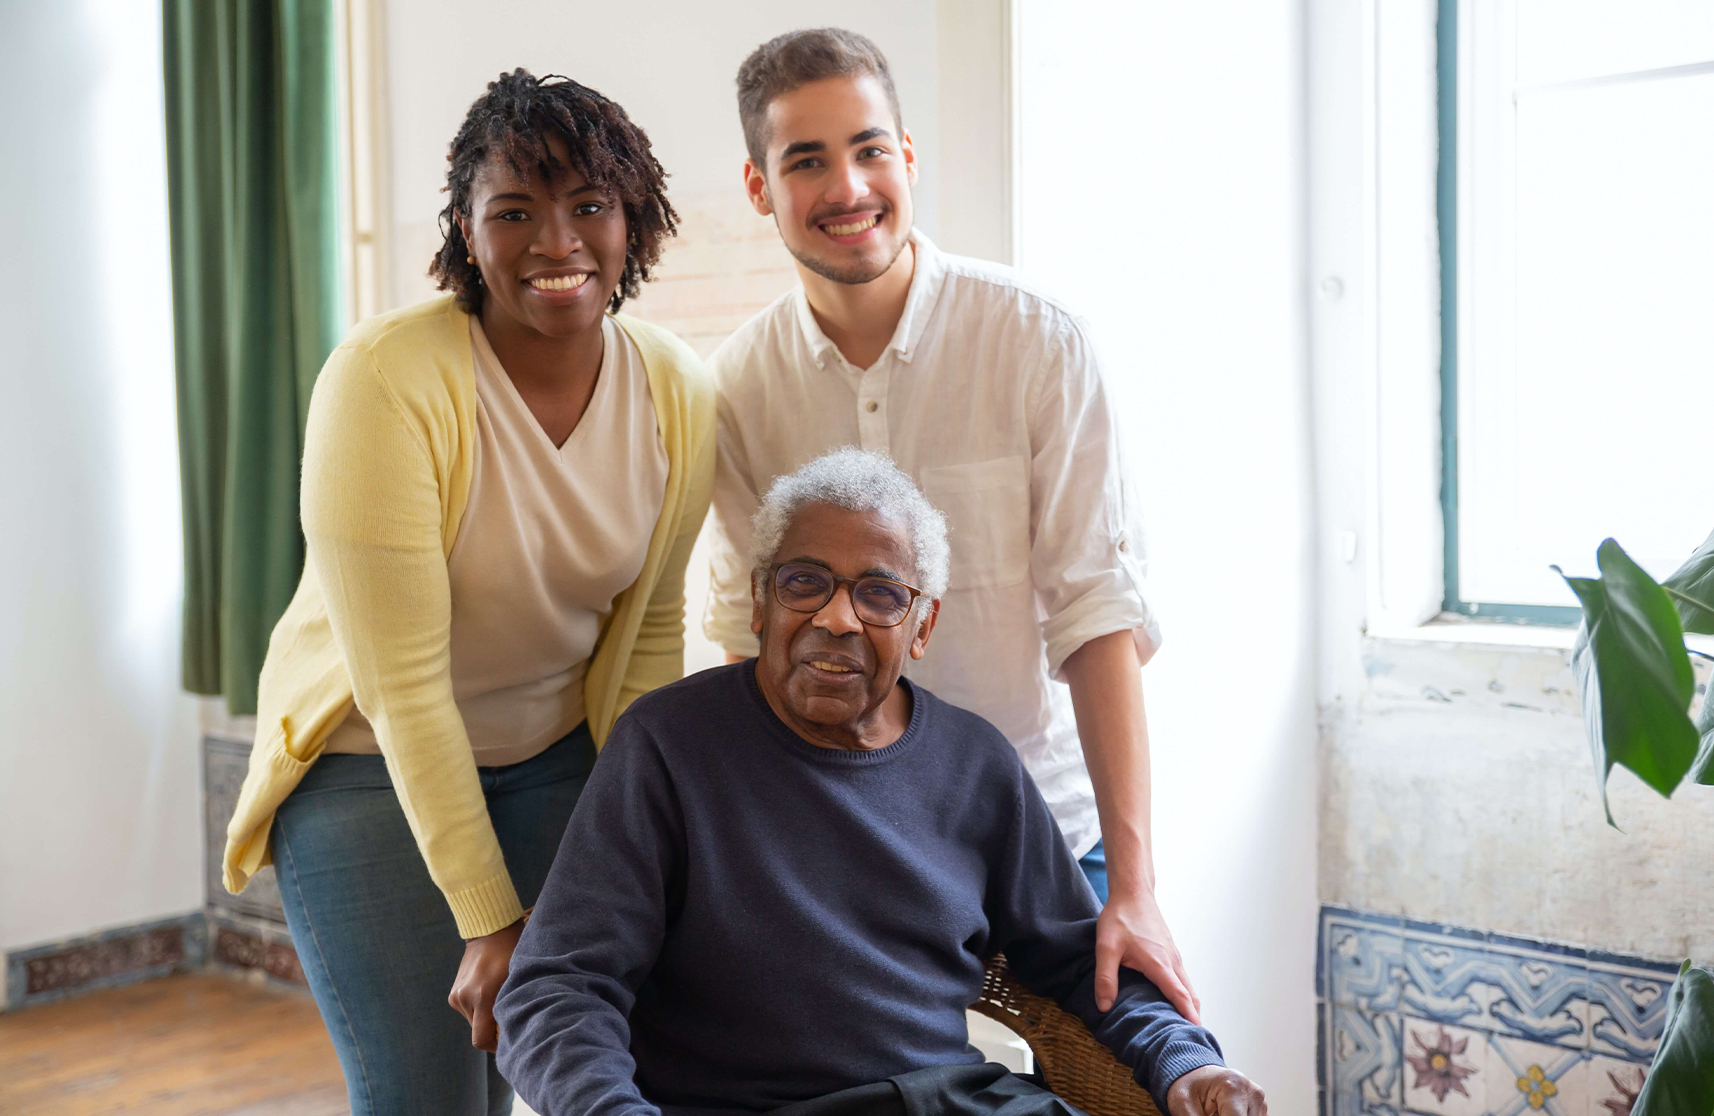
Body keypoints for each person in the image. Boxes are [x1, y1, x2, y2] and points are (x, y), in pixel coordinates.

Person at [219, 70, 714, 1116]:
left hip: (555, 760)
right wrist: (489, 918)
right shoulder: (385, 379)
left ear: (635, 221)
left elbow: (650, 634)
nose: (557, 241)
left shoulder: (677, 389)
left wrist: (641, 838)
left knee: (563, 1069)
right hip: (366, 769)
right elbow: (401, 687)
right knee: (430, 1098)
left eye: (590, 205)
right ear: (464, 227)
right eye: (515, 210)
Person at [496, 449, 1266, 1116]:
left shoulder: (977, 765)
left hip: (952, 1099)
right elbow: (556, 989)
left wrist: (1185, 1062)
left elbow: (1079, 961)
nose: (837, 619)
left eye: (879, 594)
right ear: (760, 603)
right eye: (805, 582)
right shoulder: (667, 746)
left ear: (922, 627)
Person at [703, 28, 1198, 1023]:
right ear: (759, 189)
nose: (848, 186)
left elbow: (1098, 614)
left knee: (1156, 1059)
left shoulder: (1037, 341)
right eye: (806, 160)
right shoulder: (733, 392)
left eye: (869, 148)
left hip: (1046, 836)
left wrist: (1135, 890)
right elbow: (742, 642)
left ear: (907, 156)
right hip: (832, 846)